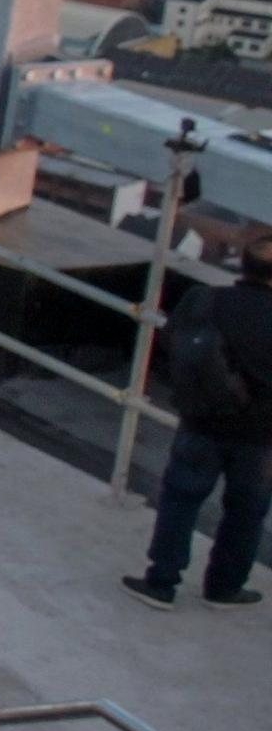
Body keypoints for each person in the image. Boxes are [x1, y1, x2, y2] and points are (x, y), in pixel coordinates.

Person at [121, 231, 272, 609]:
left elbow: (175, 344)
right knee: (246, 512)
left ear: (244, 264)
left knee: (181, 500)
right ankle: (224, 588)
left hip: (202, 422)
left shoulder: (205, 300)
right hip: (261, 437)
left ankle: (161, 582)